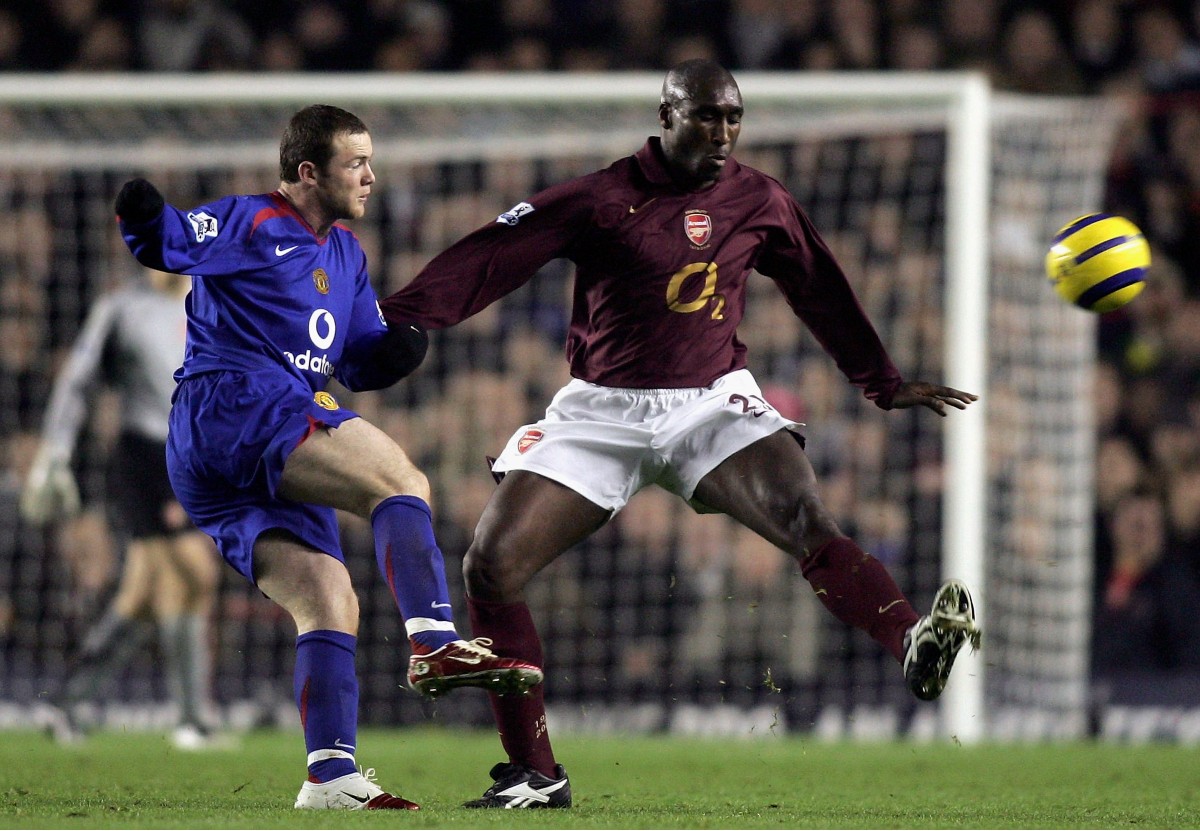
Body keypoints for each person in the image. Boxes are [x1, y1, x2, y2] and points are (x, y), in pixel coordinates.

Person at [380, 59, 982, 808]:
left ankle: (911, 641)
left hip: (711, 403)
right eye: (706, 116)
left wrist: (880, 380)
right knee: (491, 565)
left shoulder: (759, 198)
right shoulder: (601, 198)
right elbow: (492, 255)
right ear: (666, 113)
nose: (723, 133)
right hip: (603, 410)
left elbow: (818, 286)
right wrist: (400, 315)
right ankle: (536, 772)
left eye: (732, 117)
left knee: (805, 516)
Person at [114, 104, 542, 811]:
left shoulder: (346, 254)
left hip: (236, 451)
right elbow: (168, 241)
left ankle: (330, 774)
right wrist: (143, 211)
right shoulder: (251, 219)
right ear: (308, 172)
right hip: (235, 401)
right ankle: (435, 636)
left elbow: (355, 359)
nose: (371, 176)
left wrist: (394, 354)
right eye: (356, 163)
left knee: (327, 595)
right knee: (400, 480)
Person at [22, 266, 221, 750]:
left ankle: (66, 705)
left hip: (193, 453)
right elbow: (77, 380)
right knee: (194, 573)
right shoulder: (121, 309)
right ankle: (192, 720)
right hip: (144, 457)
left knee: (144, 595)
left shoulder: (212, 300)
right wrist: (54, 450)